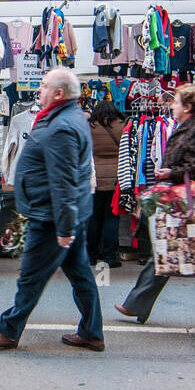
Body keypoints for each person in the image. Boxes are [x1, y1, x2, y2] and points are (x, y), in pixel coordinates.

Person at [0, 68, 104, 352]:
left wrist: (65, 227)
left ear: (58, 93)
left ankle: (7, 331)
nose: (40, 90)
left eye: (45, 86)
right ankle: (92, 332)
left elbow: (64, 181)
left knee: (31, 276)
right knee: (80, 273)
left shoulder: (61, 127)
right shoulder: (68, 117)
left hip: (51, 218)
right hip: (65, 213)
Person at [115, 83, 195, 334]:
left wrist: (172, 172)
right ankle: (136, 304)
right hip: (184, 203)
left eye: (176, 101)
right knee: (167, 252)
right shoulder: (190, 128)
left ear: (188, 106)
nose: (171, 105)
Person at [88, 99, 126, 269]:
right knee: (112, 218)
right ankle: (110, 256)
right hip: (116, 176)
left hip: (94, 176)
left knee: (94, 218)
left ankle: (91, 255)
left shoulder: (90, 127)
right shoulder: (122, 125)